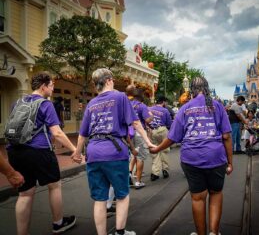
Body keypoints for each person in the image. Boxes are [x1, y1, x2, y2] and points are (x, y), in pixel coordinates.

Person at [71, 68, 155, 235]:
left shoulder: (91, 104)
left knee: (99, 199)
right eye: (113, 80)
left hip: (94, 152)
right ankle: (120, 232)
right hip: (114, 151)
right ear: (109, 80)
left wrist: (77, 153)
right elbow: (136, 123)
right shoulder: (120, 97)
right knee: (122, 195)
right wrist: (148, 141)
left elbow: (82, 134)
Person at [150, 76, 233, 235]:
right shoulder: (217, 106)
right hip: (216, 158)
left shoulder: (185, 108)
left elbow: (172, 137)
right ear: (207, 88)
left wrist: (156, 149)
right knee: (215, 194)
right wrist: (230, 163)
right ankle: (214, 232)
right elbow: (226, 136)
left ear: (192, 91)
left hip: (191, 159)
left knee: (197, 198)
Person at [6, 71, 77, 235]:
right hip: (39, 151)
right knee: (54, 185)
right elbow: (57, 133)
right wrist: (74, 150)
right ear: (44, 86)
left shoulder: (17, 102)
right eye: (51, 85)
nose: (52, 88)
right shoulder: (46, 104)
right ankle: (58, 223)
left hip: (15, 151)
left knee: (25, 194)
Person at [126, 85, 153, 189]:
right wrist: (151, 116)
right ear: (141, 97)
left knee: (133, 155)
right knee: (140, 157)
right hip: (139, 132)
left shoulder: (128, 104)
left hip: (129, 132)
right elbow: (147, 120)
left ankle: (129, 174)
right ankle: (138, 181)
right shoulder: (142, 106)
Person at [149, 96, 172, 181]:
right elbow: (169, 123)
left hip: (152, 130)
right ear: (163, 102)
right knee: (164, 150)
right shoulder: (165, 110)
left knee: (155, 151)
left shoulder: (149, 108)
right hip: (162, 129)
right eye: (165, 102)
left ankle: (155, 173)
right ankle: (165, 170)